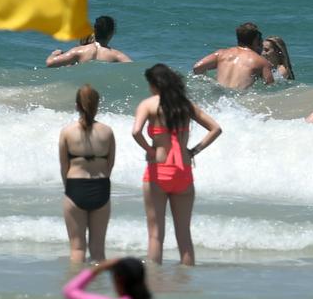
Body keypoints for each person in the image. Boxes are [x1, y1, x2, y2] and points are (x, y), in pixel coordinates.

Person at [133, 64, 222, 265]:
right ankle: (186, 281)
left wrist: (150, 150)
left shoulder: (149, 104)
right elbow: (215, 128)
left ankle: (154, 280)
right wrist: (193, 151)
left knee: (156, 234)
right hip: (183, 172)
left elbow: (136, 132)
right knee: (184, 234)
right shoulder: (185, 105)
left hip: (158, 171)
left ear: (155, 84)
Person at [59, 85, 116, 263]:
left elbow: (64, 165)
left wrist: (68, 188)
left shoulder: (67, 131)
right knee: (98, 252)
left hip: (75, 186)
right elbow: (110, 164)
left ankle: (76, 288)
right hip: (101, 187)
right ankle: (98, 287)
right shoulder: (107, 132)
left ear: (77, 105)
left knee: (77, 249)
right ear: (97, 105)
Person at [191, 22, 275, 89]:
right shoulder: (261, 62)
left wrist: (209, 82)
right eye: (260, 41)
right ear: (255, 41)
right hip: (239, 102)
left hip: (219, 99)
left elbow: (197, 67)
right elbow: (270, 88)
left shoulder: (221, 54)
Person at [46, 16, 132, 67]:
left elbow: (50, 63)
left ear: (95, 31)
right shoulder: (116, 55)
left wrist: (54, 54)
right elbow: (134, 68)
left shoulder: (78, 51)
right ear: (111, 33)